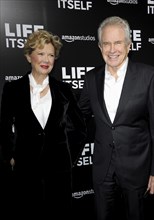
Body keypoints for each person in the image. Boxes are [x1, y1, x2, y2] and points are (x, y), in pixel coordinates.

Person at [0, 29, 86, 219]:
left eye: (51, 55)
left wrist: (68, 159)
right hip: (25, 173)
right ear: (29, 56)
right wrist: (10, 158)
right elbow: (4, 127)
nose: (46, 59)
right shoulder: (13, 89)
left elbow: (79, 129)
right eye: (40, 53)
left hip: (59, 175)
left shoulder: (64, 90)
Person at [79, 16, 154, 220]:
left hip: (137, 168)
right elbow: (78, 119)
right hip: (102, 169)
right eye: (106, 43)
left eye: (118, 42)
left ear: (129, 45)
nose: (112, 49)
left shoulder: (148, 76)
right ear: (100, 47)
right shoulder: (91, 78)